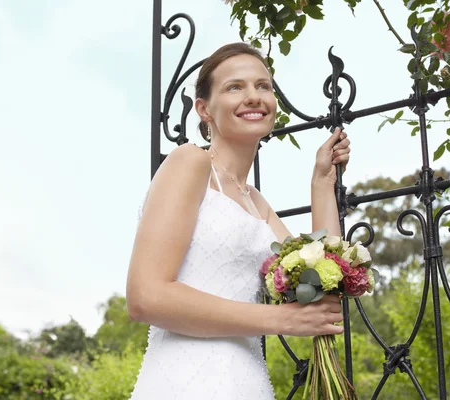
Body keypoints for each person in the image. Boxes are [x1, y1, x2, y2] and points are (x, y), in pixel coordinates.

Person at [126, 42, 351, 399]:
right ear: (204, 109)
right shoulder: (190, 163)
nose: (254, 96)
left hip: (247, 382)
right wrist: (280, 321)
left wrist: (322, 182)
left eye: (263, 86)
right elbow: (145, 296)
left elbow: (323, 278)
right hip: (184, 381)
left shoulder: (256, 202)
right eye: (235, 87)